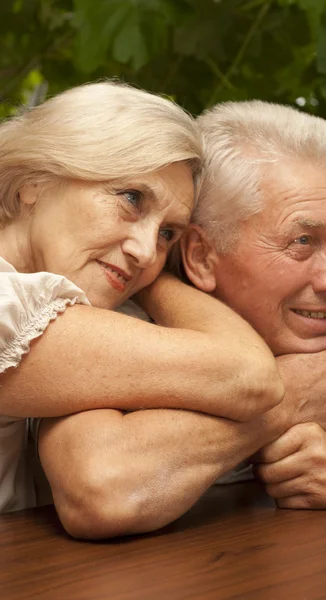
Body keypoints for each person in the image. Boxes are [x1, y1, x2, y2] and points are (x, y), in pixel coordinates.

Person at [35, 100, 326, 540]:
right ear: (201, 256)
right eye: (303, 241)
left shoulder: (322, 326)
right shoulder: (115, 319)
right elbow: (99, 491)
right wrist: (288, 398)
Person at [0, 83, 285, 514]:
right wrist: (295, 397)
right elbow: (249, 375)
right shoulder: (10, 305)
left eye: (168, 234)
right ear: (35, 183)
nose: (146, 250)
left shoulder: (74, 310)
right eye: (131, 198)